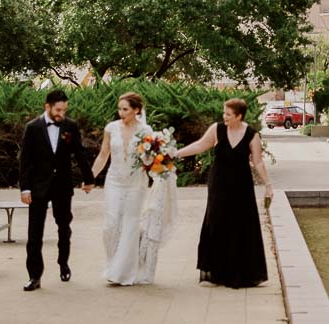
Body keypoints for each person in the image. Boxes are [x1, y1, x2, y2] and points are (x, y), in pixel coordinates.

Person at [173, 97, 272, 288]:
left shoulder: (252, 135)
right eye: (224, 113)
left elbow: (258, 162)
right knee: (216, 221)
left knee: (241, 224)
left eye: (228, 114)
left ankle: (242, 272)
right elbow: (200, 145)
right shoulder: (217, 129)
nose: (224, 116)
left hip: (242, 185)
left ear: (239, 116)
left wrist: (268, 185)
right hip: (219, 183)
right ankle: (215, 272)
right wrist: (175, 153)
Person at [18, 88, 95, 292]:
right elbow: (25, 161)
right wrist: (24, 189)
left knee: (64, 226)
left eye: (64, 109)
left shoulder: (70, 126)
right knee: (34, 232)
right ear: (48, 107)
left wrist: (89, 179)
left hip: (62, 185)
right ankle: (34, 275)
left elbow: (79, 153)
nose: (62, 113)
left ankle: (63, 262)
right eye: (58, 109)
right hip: (37, 187)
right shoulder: (32, 127)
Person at [89, 91, 154, 285]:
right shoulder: (111, 128)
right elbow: (103, 155)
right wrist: (89, 177)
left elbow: (150, 160)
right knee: (111, 223)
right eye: (119, 109)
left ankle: (125, 271)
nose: (121, 113)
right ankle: (112, 264)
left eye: (125, 109)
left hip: (136, 183)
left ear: (136, 110)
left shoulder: (146, 131)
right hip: (114, 181)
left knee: (130, 225)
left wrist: (155, 159)